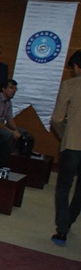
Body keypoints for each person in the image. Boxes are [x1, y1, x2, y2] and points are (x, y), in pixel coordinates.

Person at [50, 49, 81, 246]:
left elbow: (57, 118)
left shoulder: (70, 85)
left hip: (72, 144)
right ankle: (69, 221)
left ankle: (62, 230)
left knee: (63, 187)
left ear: (76, 66)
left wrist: (64, 135)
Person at [0, 79, 34, 166]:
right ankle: (1, 161)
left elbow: (10, 119)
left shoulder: (8, 102)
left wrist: (16, 130)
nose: (14, 90)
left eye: (15, 88)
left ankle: (16, 159)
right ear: (4, 89)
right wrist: (12, 132)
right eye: (11, 88)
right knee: (8, 135)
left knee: (23, 132)